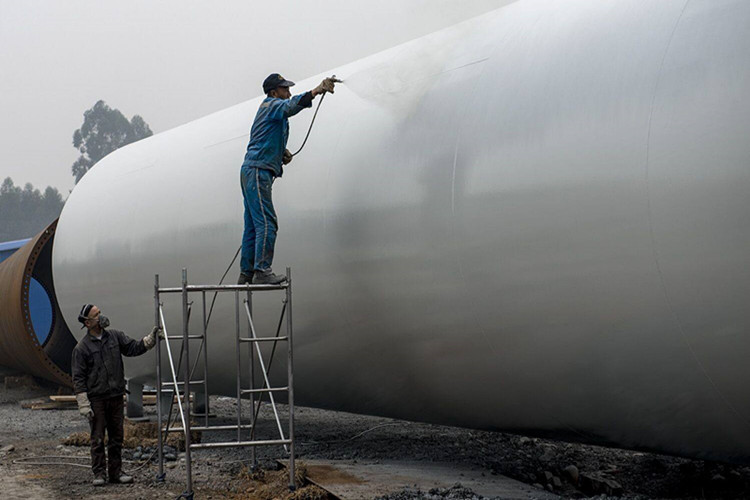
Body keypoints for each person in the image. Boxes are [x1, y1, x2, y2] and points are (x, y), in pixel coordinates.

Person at [238, 73, 339, 285]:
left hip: (253, 170)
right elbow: (290, 106)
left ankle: (246, 273)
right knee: (267, 222)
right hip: (257, 171)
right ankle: (262, 271)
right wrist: (316, 91)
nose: (289, 92)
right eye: (285, 89)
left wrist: (279, 151)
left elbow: (263, 136)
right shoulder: (272, 105)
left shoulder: (270, 111)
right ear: (274, 92)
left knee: (253, 225)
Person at [71, 304, 161, 486]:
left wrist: (150, 340)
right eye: (97, 315)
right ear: (88, 323)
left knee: (116, 437)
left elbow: (133, 348)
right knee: (97, 438)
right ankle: (99, 474)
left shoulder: (115, 337)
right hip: (97, 399)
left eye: (100, 313)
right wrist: (83, 403)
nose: (102, 317)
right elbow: (78, 378)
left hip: (116, 396)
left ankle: (115, 472)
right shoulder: (82, 349)